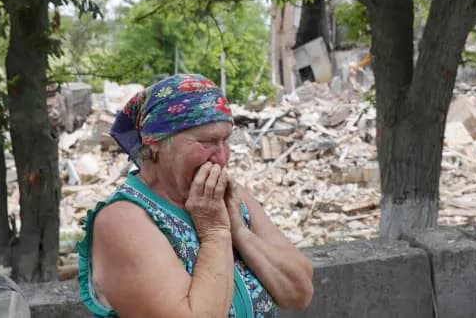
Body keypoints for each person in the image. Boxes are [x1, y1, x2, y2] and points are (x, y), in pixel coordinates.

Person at [77, 74, 313, 318]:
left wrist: (240, 232)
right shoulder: (123, 220)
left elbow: (300, 293)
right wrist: (215, 233)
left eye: (225, 140)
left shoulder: (232, 198)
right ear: (155, 142)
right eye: (207, 142)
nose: (222, 158)